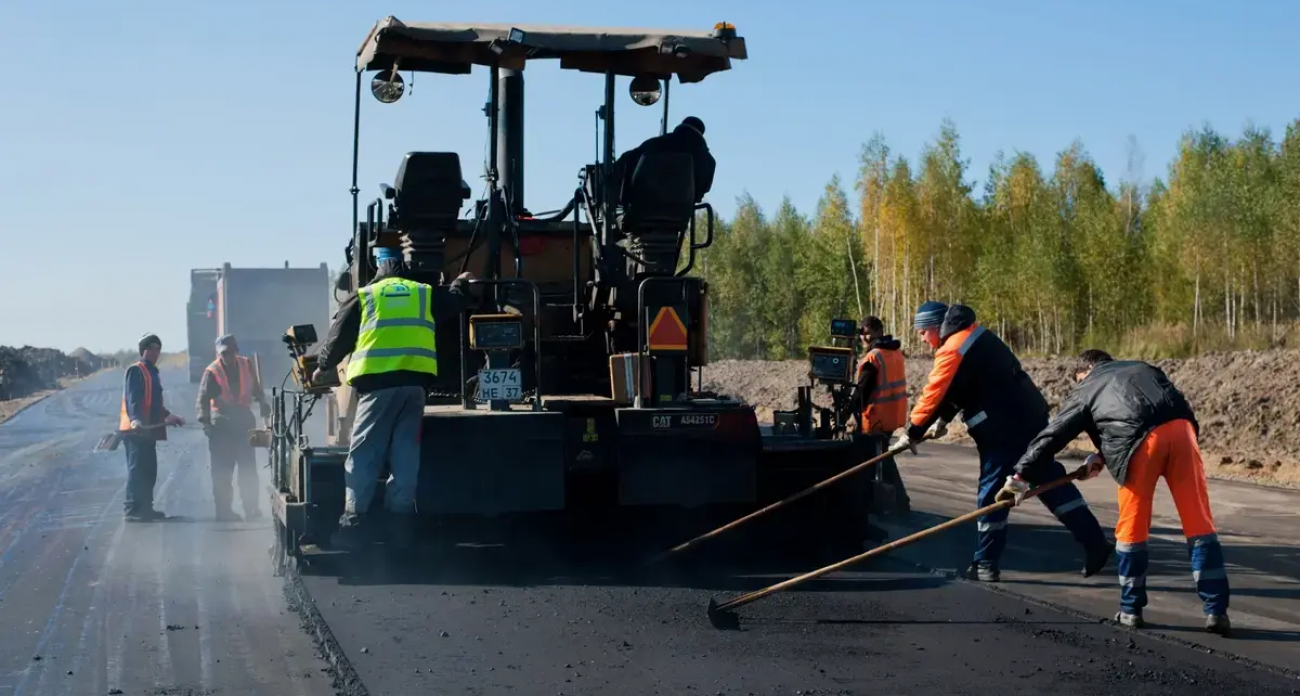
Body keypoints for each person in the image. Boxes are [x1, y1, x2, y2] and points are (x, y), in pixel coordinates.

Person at [998, 349, 1231, 635]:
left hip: (1140, 448)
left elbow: (1054, 435)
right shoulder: (1143, 367)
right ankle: (1217, 611)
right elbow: (1141, 413)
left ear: (1084, 372)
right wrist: (1101, 455)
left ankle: (1131, 609)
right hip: (1183, 433)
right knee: (1199, 524)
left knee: (1132, 529)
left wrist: (1021, 476)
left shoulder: (1087, 386)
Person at [893, 301, 1113, 582]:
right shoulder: (974, 336)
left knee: (992, 490)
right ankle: (1094, 542)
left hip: (1003, 428)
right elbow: (962, 386)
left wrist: (911, 432)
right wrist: (942, 421)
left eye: (923, 332)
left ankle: (985, 564)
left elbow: (935, 392)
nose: (922, 340)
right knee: (1047, 479)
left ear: (936, 326)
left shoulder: (953, 347)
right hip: (1028, 416)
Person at [313, 248, 475, 551]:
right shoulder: (423, 294)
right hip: (415, 387)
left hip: (377, 389)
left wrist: (321, 367)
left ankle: (354, 523)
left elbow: (337, 340)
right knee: (405, 453)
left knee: (364, 453)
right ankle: (399, 525)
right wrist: (461, 283)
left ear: (378, 270)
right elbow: (454, 301)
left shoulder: (366, 296)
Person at [196, 334, 269, 522]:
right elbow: (203, 398)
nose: (226, 356)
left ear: (236, 350)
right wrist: (205, 423)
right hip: (222, 424)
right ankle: (223, 511)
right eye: (222, 353)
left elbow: (256, 389)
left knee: (248, 469)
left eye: (229, 352)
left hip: (244, 421)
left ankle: (251, 509)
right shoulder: (212, 371)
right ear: (218, 353)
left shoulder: (246, 365)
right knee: (222, 471)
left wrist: (262, 402)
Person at [850, 316, 912, 518]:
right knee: (882, 457)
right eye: (861, 332)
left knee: (877, 459)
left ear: (878, 331)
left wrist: (847, 410)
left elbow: (862, 391)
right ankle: (897, 503)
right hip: (892, 415)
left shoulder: (873, 357)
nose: (863, 336)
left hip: (876, 416)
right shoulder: (894, 353)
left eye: (867, 331)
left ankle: (895, 504)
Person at [119, 333, 184, 522]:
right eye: (153, 348)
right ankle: (132, 508)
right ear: (144, 350)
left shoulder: (152, 372)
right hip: (135, 430)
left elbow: (154, 402)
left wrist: (169, 416)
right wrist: (136, 420)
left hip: (148, 430)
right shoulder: (136, 370)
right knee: (137, 469)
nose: (156, 352)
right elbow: (133, 398)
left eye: (158, 348)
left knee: (149, 470)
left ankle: (146, 508)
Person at [614, 116, 716, 205]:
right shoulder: (709, 162)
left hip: (642, 209)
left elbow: (626, 162)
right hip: (680, 216)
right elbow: (701, 193)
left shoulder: (656, 144)